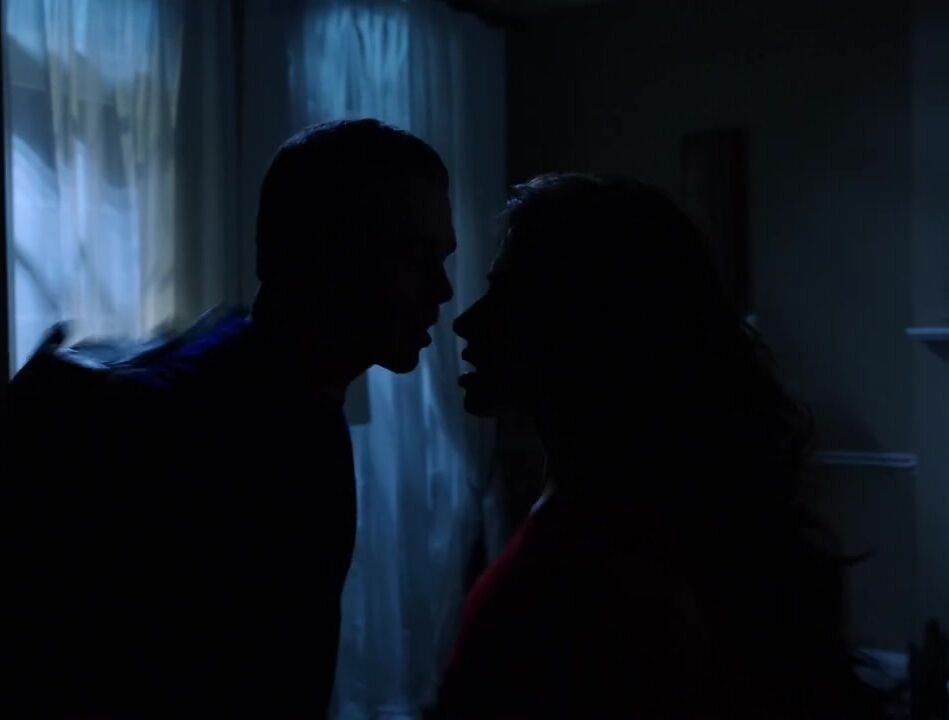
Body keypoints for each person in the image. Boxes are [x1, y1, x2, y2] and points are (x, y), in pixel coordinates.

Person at [1, 119, 456, 717]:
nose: (443, 290)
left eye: (441, 258)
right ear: (314, 251)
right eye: (415, 256)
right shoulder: (164, 428)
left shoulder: (309, 414)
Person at [438, 173, 884, 719]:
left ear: (591, 324)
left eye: (508, 295)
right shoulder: (652, 529)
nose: (467, 322)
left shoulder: (591, 578)